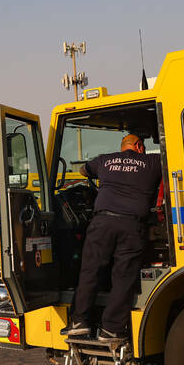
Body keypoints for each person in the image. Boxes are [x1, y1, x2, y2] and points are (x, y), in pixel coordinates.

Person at [62, 133, 162, 346]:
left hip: (102, 223)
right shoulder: (153, 161)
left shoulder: (105, 159)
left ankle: (80, 322)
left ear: (123, 147)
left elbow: (83, 170)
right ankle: (111, 329)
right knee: (123, 277)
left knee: (91, 270)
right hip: (132, 225)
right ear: (138, 146)